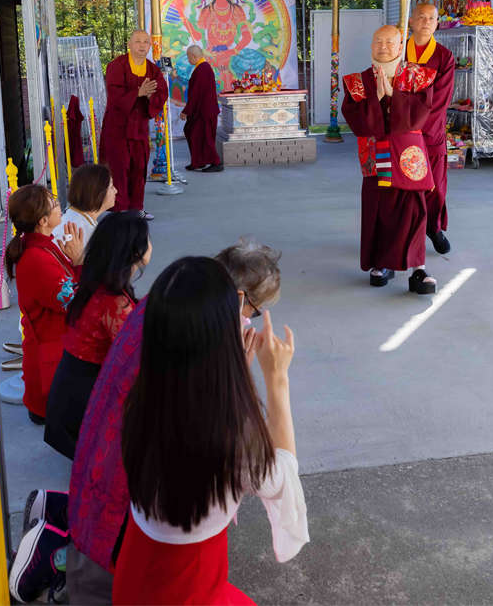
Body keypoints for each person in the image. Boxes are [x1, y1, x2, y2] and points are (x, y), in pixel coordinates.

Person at [66, 239, 281, 602]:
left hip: (116, 493)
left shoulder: (168, 301)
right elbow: (266, 474)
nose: (248, 321)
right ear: (238, 298)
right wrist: (270, 378)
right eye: (254, 311)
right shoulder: (203, 344)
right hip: (159, 545)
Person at [113, 256, 305, 604]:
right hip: (190, 591)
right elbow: (282, 477)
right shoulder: (232, 435)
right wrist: (277, 379)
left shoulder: (141, 400)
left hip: (135, 577)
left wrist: (234, 374)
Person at [341, 25, 439, 294]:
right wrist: (376, 98)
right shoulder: (358, 81)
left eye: (389, 42)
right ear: (371, 45)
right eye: (378, 41)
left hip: (409, 156)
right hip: (376, 154)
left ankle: (418, 269)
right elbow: (357, 123)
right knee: (379, 208)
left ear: (400, 46)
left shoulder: (418, 76)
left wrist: (395, 96)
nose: (383, 47)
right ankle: (382, 263)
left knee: (414, 210)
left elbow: (420, 115)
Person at [45, 211, 149, 460]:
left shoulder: (97, 283)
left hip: (70, 398)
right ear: (135, 253)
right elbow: (138, 360)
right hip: (85, 408)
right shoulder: (114, 302)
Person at [7, 185, 84, 425]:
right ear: (42, 221)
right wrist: (80, 261)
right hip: (50, 365)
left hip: (56, 350)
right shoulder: (36, 258)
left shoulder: (42, 246)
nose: (60, 207)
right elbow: (74, 301)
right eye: (55, 204)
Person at [98, 30, 167, 220]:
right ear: (129, 44)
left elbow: (162, 92)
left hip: (139, 127)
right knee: (118, 168)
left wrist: (150, 96)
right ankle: (119, 209)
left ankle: (137, 208)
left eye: (146, 42)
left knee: (139, 167)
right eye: (138, 41)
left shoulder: (153, 70)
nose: (142, 45)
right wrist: (138, 93)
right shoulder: (116, 66)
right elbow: (114, 95)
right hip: (117, 127)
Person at [406, 4, 456, 255]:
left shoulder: (445, 57)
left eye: (431, 18)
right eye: (421, 17)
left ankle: (433, 228)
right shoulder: (398, 50)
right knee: (402, 185)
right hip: (400, 130)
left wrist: (415, 122)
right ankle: (405, 232)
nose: (426, 22)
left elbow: (441, 100)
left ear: (437, 23)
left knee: (435, 184)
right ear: (411, 21)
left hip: (430, 130)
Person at [51, 163, 116, 251]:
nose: (116, 191)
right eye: (111, 187)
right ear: (97, 193)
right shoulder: (81, 230)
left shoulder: (75, 217)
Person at [181, 45, 223, 172]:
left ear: (193, 56)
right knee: (194, 134)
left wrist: (186, 111)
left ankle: (216, 163)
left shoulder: (202, 69)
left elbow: (196, 94)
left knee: (206, 138)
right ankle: (198, 162)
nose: (188, 59)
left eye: (188, 57)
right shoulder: (202, 67)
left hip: (205, 111)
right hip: (202, 110)